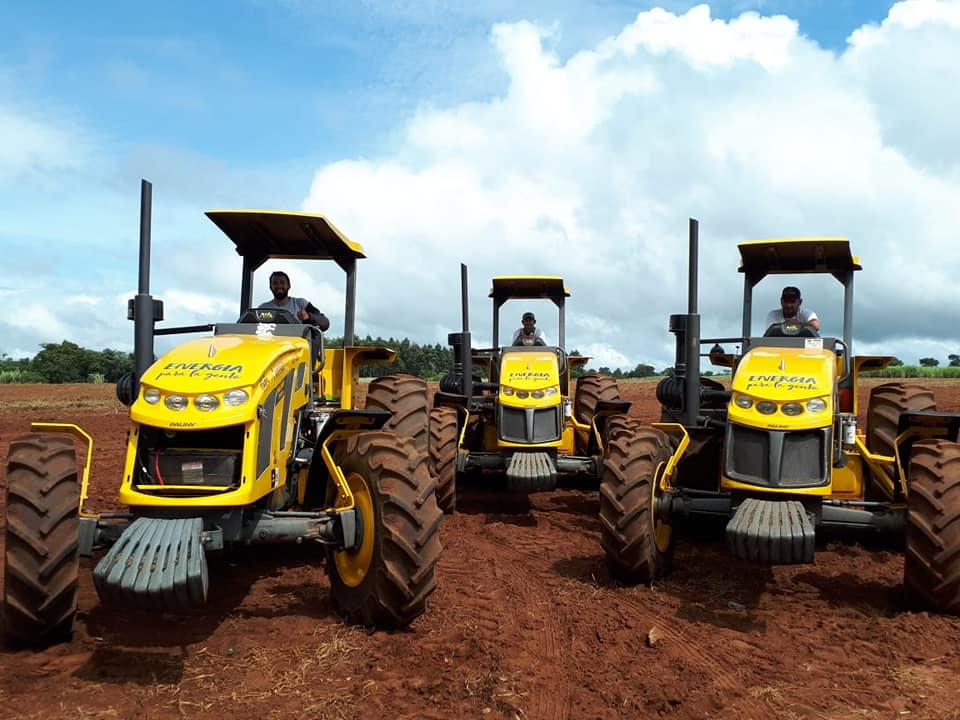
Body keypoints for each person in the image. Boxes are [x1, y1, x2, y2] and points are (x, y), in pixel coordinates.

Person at [258, 271, 330, 331]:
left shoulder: (301, 304)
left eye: (282, 282)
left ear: (289, 286)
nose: (279, 286)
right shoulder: (263, 308)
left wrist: (308, 317)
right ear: (270, 287)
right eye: (275, 283)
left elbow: (325, 323)